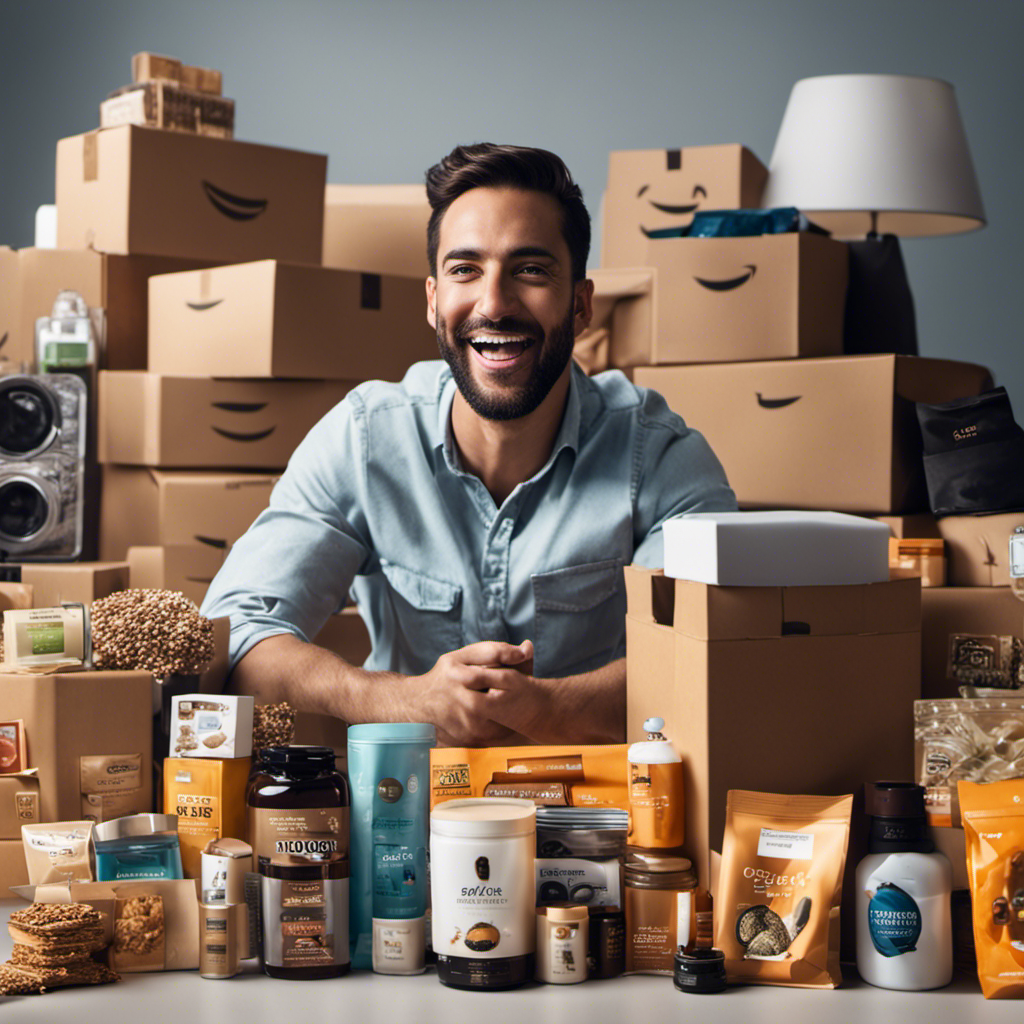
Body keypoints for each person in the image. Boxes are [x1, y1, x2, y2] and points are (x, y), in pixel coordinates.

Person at [201, 143, 736, 746]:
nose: (494, 304)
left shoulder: (660, 456)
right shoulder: (365, 438)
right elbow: (235, 634)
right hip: (409, 812)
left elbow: (718, 658)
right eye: (465, 270)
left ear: (581, 303)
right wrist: (404, 699)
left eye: (530, 270)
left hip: (603, 816)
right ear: (433, 301)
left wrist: (543, 709)